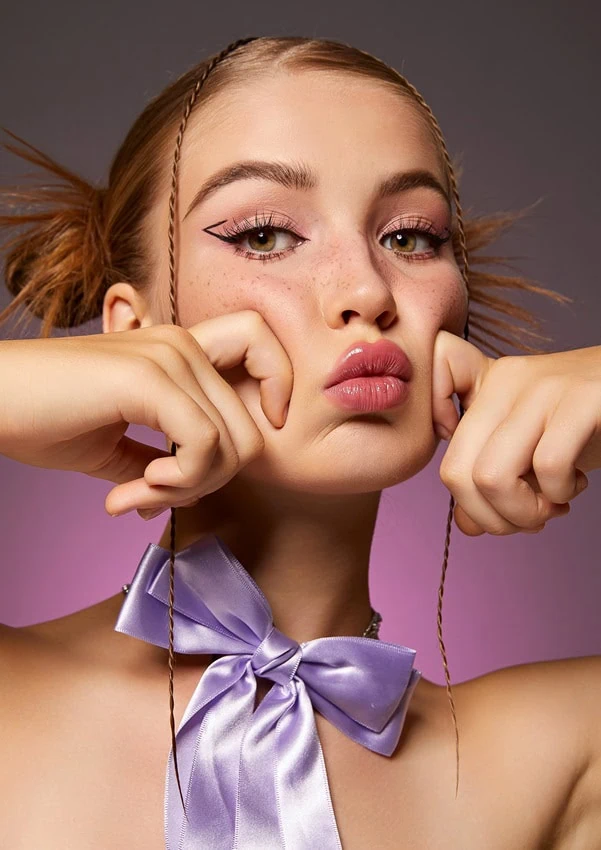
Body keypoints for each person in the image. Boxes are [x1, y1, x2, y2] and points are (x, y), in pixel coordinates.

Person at [0, 35, 599, 849]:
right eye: (263, 236)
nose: (364, 288)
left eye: (409, 237)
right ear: (133, 333)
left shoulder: (555, 755)